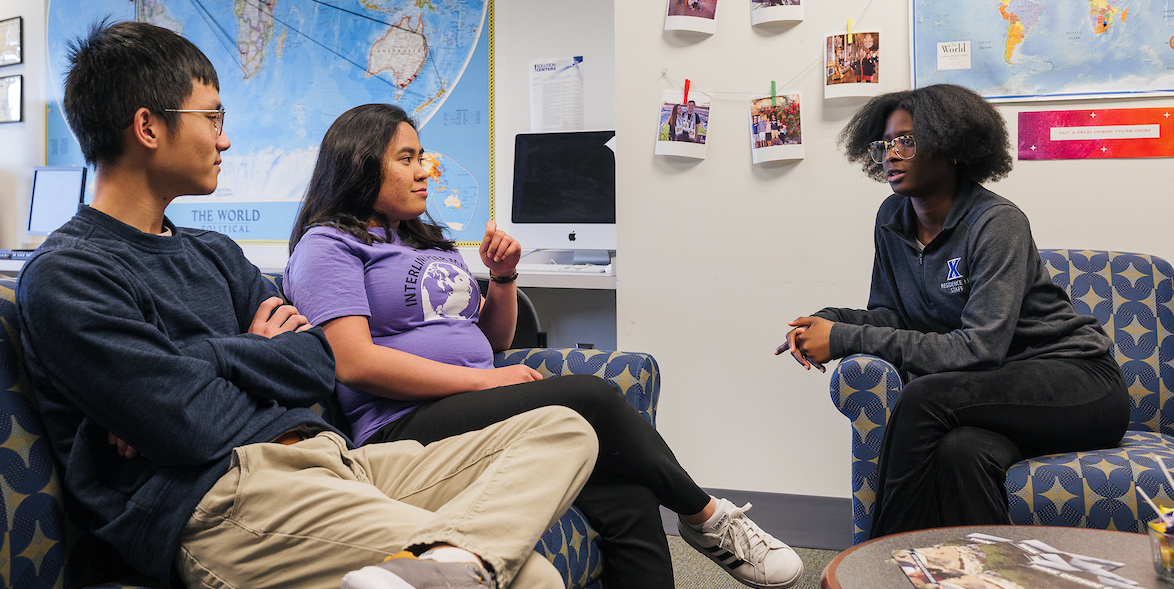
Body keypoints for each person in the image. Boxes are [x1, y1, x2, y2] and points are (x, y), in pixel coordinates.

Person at [17, 20, 599, 589]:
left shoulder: (214, 253)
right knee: (533, 578)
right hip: (226, 500)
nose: (224, 138)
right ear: (147, 127)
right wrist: (254, 349)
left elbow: (316, 362)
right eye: (213, 117)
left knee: (565, 429)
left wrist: (197, 357)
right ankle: (439, 565)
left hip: (333, 460)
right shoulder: (69, 275)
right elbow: (189, 427)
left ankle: (438, 560)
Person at [282, 103, 804, 589]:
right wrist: (483, 380)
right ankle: (707, 517)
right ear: (359, 166)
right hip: (401, 422)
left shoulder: (417, 238)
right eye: (407, 158)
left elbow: (490, 340)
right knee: (590, 396)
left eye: (423, 156)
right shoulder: (327, 245)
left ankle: (696, 520)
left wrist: (503, 279)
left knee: (628, 495)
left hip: (469, 403)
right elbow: (353, 362)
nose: (425, 170)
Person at [775, 84, 1129, 537]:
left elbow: (980, 348)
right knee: (959, 453)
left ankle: (877, 563)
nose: (891, 154)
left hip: (1077, 384)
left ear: (951, 146)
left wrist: (844, 340)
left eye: (907, 140)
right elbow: (892, 316)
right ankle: (987, 576)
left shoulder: (996, 222)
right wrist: (829, 321)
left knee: (925, 398)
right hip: (992, 399)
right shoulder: (892, 219)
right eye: (885, 143)